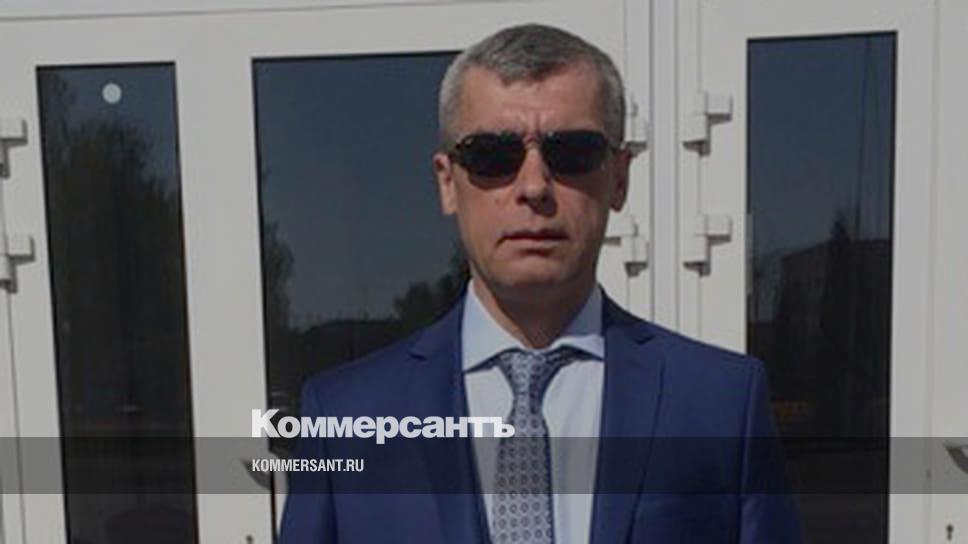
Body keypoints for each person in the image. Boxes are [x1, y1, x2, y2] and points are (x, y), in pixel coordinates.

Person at [279, 23, 802, 543]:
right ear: (447, 182)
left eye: (572, 153)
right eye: (492, 155)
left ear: (619, 177)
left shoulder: (720, 403)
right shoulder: (345, 413)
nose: (533, 186)